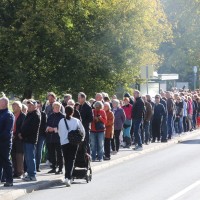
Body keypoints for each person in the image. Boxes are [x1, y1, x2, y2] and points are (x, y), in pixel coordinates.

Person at [58, 106, 85, 187]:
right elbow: (83, 132)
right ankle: (68, 177)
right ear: (73, 112)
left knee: (66, 160)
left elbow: (59, 132)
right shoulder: (76, 121)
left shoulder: (61, 121)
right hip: (74, 143)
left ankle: (67, 176)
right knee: (71, 160)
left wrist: (63, 138)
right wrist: (81, 140)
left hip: (64, 143)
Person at [20, 99, 41, 182]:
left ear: (35, 106)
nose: (29, 106)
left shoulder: (36, 114)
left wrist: (22, 134)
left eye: (31, 105)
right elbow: (24, 125)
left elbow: (31, 128)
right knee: (28, 158)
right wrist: (21, 133)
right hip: (26, 139)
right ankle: (29, 174)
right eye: (28, 105)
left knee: (30, 157)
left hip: (30, 139)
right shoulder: (29, 114)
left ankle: (32, 175)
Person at [46, 102, 65, 174]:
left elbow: (63, 127)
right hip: (50, 137)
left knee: (59, 153)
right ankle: (53, 167)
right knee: (51, 153)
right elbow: (47, 124)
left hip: (58, 137)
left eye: (58, 107)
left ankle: (60, 168)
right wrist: (48, 128)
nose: (56, 108)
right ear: (53, 108)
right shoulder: (50, 116)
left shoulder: (62, 116)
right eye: (55, 107)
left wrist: (54, 129)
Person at [0, 97, 14, 187]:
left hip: (5, 142)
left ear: (5, 103)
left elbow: (7, 131)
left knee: (6, 160)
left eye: (1, 102)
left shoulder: (8, 114)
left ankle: (9, 180)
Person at [11, 101, 26, 179]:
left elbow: (22, 128)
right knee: (13, 155)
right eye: (13, 106)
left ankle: (20, 172)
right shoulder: (12, 115)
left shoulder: (23, 116)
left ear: (20, 107)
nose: (13, 107)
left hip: (19, 139)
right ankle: (15, 172)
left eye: (15, 106)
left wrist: (15, 135)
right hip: (12, 138)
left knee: (19, 155)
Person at [35, 101, 47, 172]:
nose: (38, 108)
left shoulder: (43, 114)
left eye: (39, 106)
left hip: (41, 135)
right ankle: (34, 166)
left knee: (39, 150)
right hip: (33, 135)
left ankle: (37, 166)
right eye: (37, 106)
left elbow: (44, 125)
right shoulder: (33, 114)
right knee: (34, 151)